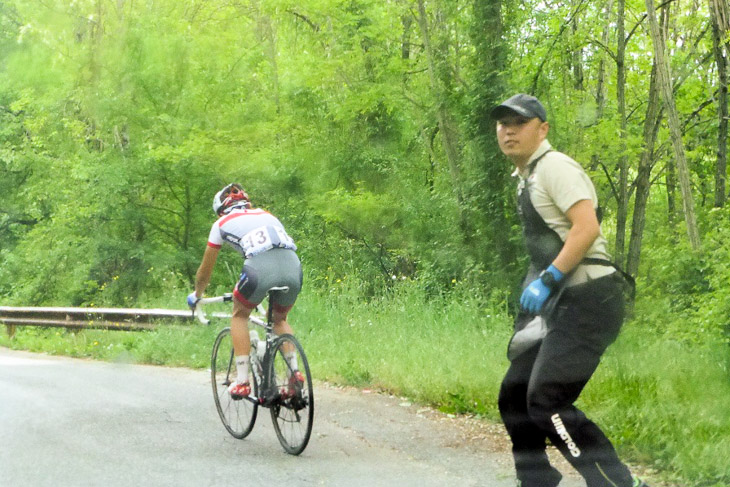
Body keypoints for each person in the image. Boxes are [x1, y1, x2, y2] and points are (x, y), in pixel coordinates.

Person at [491, 94, 647, 487]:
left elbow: (586, 228)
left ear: (542, 129)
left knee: (547, 401)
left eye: (519, 123)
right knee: (514, 394)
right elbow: (546, 245)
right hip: (563, 304)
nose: (508, 131)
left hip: (591, 300)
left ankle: (618, 484)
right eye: (502, 123)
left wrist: (548, 280)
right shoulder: (527, 176)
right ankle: (537, 480)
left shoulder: (554, 167)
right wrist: (534, 293)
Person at [187, 183, 304, 399]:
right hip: (293, 267)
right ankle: (294, 372)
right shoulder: (267, 215)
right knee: (279, 319)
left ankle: (242, 381)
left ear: (221, 209)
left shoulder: (221, 223)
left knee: (240, 314)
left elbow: (205, 271)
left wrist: (197, 294)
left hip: (260, 268)